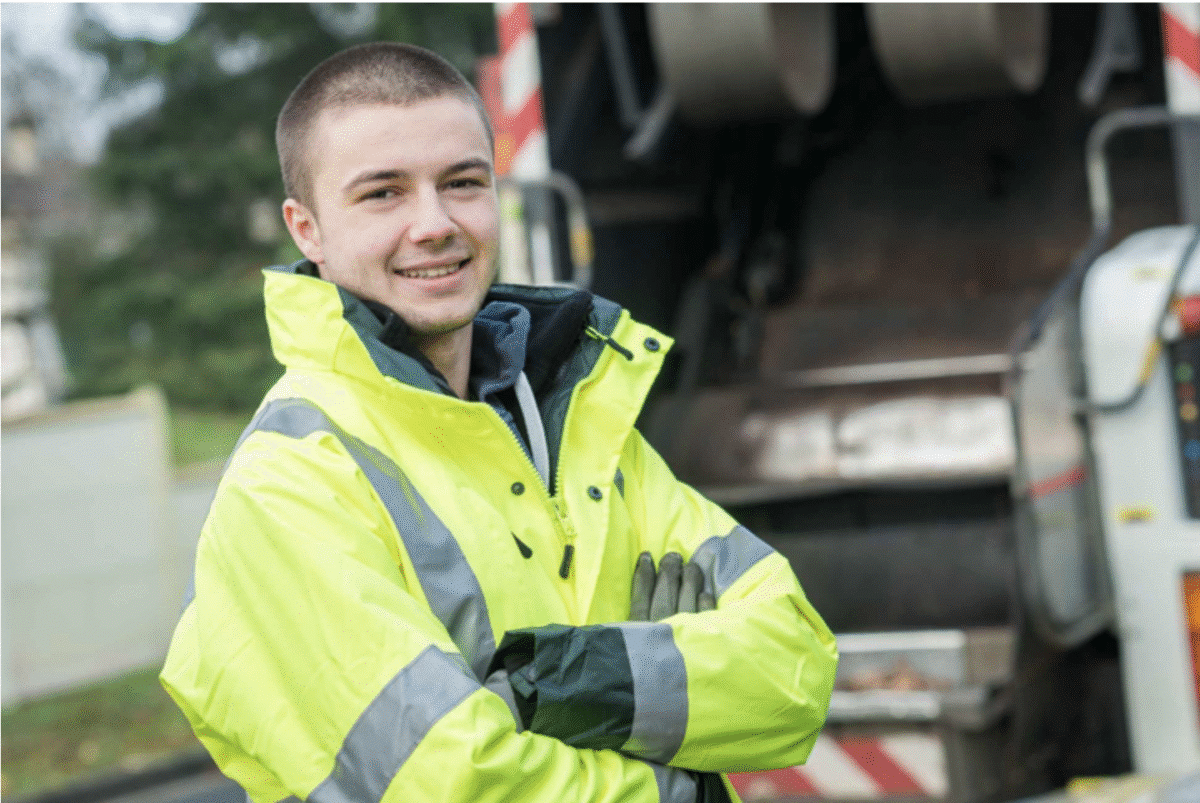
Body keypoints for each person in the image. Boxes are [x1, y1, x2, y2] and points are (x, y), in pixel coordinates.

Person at [160, 41, 837, 803]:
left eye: (462, 183)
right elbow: (456, 783)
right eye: (383, 193)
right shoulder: (291, 481)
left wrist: (577, 680)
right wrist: (684, 773)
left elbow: (796, 669)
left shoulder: (571, 420)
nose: (435, 223)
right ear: (306, 229)